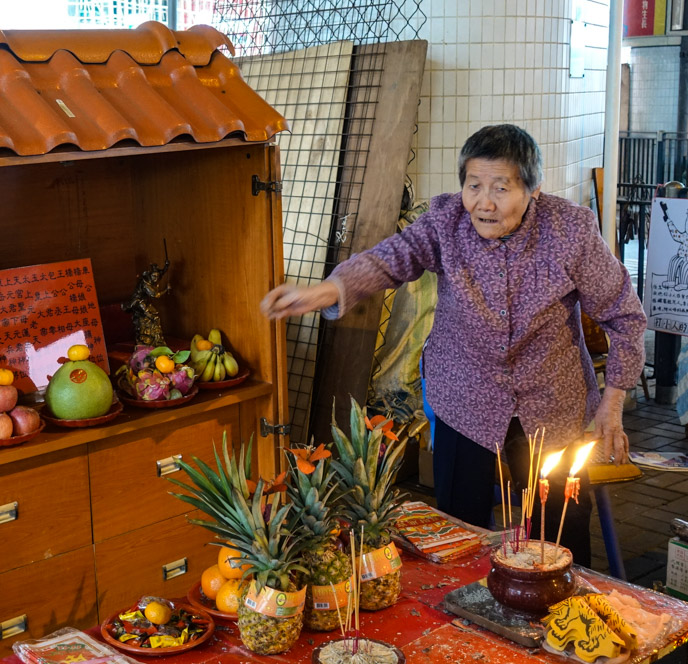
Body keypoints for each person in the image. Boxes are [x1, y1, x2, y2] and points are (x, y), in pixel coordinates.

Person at [261, 124, 646, 566]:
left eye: (501, 187)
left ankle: (563, 606)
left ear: (533, 189)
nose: (484, 202)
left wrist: (613, 402)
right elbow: (390, 258)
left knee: (559, 532)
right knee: (458, 532)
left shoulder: (569, 230)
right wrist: (329, 290)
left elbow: (624, 315)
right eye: (473, 185)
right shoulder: (446, 222)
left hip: (551, 403)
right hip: (465, 400)